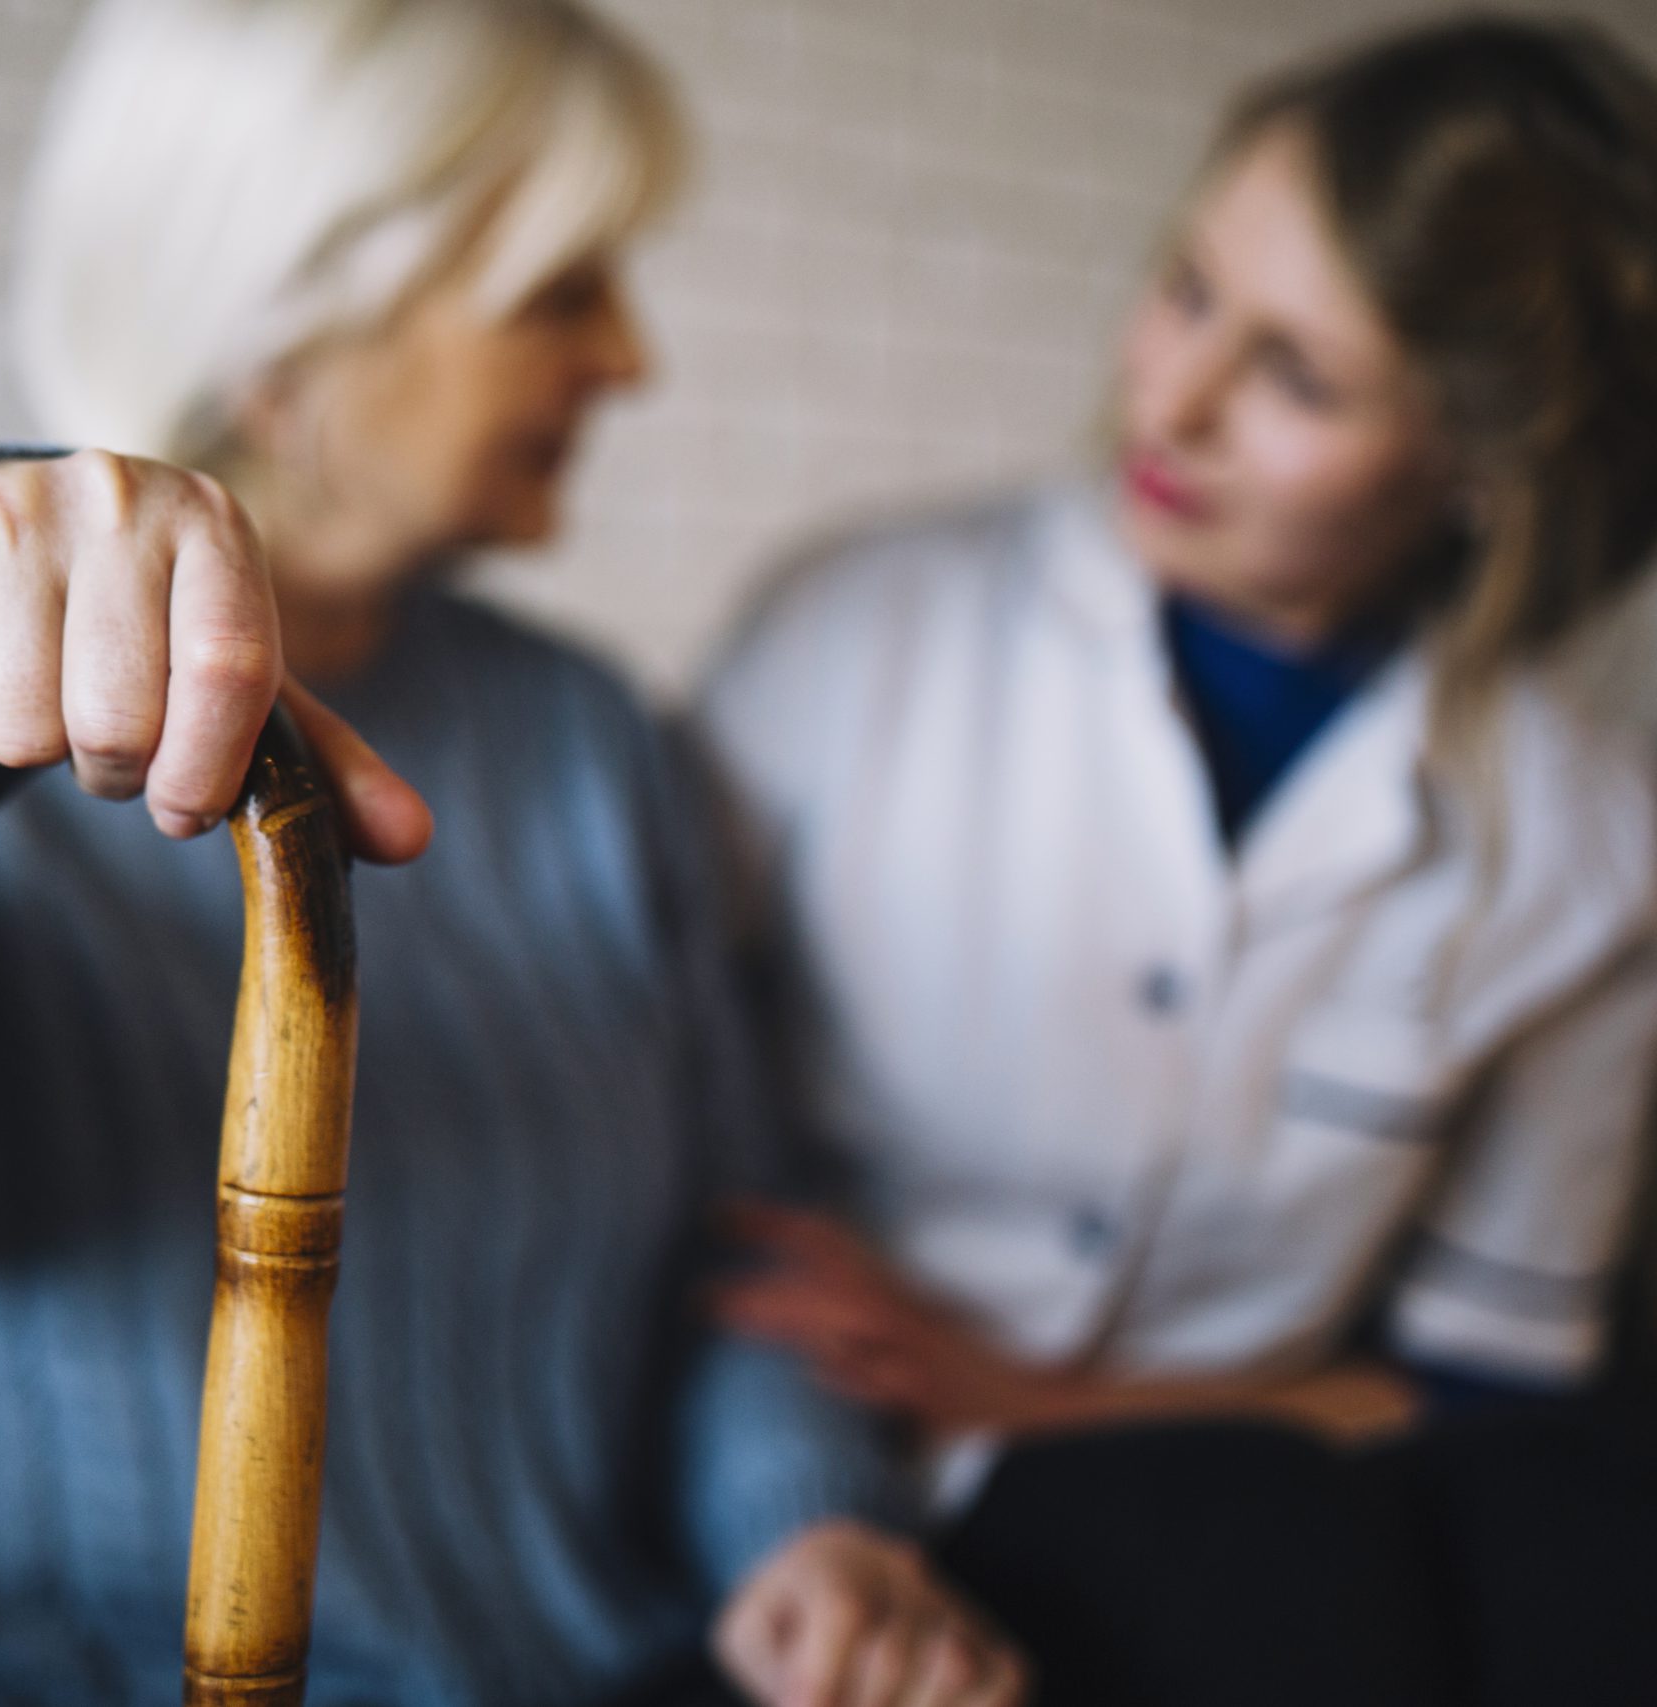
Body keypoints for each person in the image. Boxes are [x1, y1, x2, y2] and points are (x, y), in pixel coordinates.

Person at [0, 2, 1021, 1704]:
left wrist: (807, 1530)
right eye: (563, 290)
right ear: (300, 324)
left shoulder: (594, 745)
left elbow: (730, 1251)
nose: (631, 360)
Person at [697, 16, 1657, 1707]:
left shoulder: (1589, 849)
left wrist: (1020, 1398)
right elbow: (636, 1113)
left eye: (1296, 376)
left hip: (1253, 1496)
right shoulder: (850, 635)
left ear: (1481, 472)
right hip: (832, 1478)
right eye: (1189, 288)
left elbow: (1486, 1380)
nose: (1175, 395)